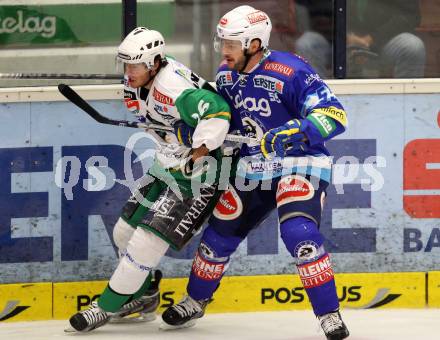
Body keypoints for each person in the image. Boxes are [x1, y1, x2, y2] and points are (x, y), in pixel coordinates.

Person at [161, 5, 350, 340]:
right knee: (218, 235)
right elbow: (223, 121)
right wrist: (197, 132)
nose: (224, 50)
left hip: (300, 163)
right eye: (223, 43)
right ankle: (196, 299)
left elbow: (334, 114)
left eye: (231, 43)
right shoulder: (225, 76)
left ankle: (329, 315)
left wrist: (296, 131)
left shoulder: (290, 70)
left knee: (300, 236)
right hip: (254, 168)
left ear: (253, 42)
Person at [67, 26, 233, 332]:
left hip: (197, 175)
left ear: (154, 63)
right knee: (123, 233)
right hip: (165, 164)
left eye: (134, 66)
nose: (128, 73)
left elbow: (219, 111)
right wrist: (171, 131)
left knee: (144, 244)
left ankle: (103, 308)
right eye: (125, 65)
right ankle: (144, 296)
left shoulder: (173, 88)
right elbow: (151, 116)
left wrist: (197, 149)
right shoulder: (141, 79)